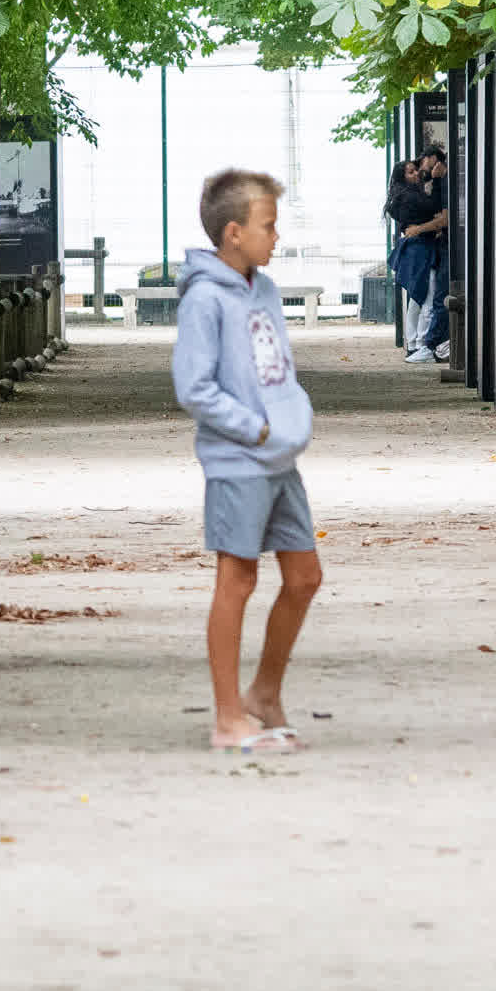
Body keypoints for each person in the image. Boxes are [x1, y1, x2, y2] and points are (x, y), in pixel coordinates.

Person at [170, 165, 322, 753]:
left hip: (280, 458)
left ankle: (264, 694)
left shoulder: (263, 288)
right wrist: (255, 430)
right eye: (267, 226)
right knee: (237, 580)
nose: (275, 236)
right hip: (239, 460)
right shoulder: (204, 298)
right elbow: (195, 387)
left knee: (305, 577)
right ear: (234, 232)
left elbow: (276, 369)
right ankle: (228, 719)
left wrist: (288, 422)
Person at [386, 148, 452, 359]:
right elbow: (436, 209)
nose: (416, 174)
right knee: (427, 297)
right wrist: (438, 179)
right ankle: (421, 343)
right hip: (420, 250)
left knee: (416, 298)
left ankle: (414, 342)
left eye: (415, 170)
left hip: (415, 250)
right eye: (410, 172)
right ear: (402, 177)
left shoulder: (403, 196)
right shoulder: (411, 197)